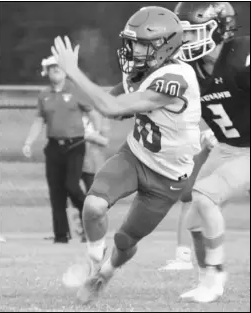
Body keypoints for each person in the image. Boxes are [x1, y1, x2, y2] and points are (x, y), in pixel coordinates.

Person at [52, 5, 202, 304]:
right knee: (93, 206)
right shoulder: (144, 68)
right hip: (135, 156)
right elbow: (115, 96)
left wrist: (73, 73)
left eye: (142, 44)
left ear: (164, 45)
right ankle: (94, 262)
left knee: (124, 240)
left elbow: (110, 108)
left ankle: (103, 275)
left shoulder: (176, 78)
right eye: (132, 42)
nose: (133, 49)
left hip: (168, 176)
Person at [158, 2, 250, 303]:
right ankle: (206, 281)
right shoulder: (189, 68)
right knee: (195, 217)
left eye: (193, 32)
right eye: (183, 34)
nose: (186, 41)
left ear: (219, 29)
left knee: (206, 195)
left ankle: (216, 272)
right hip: (227, 146)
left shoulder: (241, 55)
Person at [23, 56, 94, 243]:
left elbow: (92, 112)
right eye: (51, 67)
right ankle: (61, 235)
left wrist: (96, 132)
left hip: (75, 145)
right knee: (56, 192)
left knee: (71, 185)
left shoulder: (75, 89)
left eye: (58, 66)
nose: (56, 69)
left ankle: (91, 216)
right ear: (46, 71)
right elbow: (39, 120)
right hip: (54, 146)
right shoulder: (44, 94)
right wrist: (29, 142)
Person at [73, 113, 110, 242]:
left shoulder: (100, 117)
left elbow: (105, 141)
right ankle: (83, 227)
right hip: (75, 162)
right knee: (74, 194)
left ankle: (95, 232)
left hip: (93, 165)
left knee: (94, 200)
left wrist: (90, 136)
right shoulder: (74, 113)